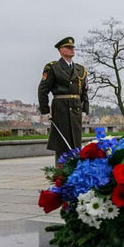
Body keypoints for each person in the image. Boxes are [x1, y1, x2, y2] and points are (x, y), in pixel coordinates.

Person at [38, 37, 89, 165]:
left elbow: (84, 91)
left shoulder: (81, 70)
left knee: (76, 143)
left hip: (76, 108)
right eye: (68, 48)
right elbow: (43, 90)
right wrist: (45, 111)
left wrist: (85, 110)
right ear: (61, 50)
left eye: (73, 48)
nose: (72, 50)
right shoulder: (53, 68)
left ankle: (74, 173)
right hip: (60, 108)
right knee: (62, 143)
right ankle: (60, 174)